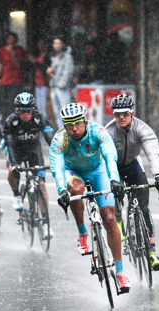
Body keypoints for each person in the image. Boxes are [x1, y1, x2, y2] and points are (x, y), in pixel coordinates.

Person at [50, 102, 131, 293]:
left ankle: (120, 272)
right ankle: (83, 233)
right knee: (75, 190)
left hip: (97, 170)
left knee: (109, 218)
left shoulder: (98, 132)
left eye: (77, 124)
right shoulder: (59, 139)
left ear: (85, 121)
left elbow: (110, 157)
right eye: (69, 125)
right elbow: (57, 168)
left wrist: (114, 180)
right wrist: (62, 190)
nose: (74, 129)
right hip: (73, 172)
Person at [106, 94, 159, 270]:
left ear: (132, 113)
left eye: (125, 113)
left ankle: (152, 251)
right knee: (116, 196)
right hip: (114, 167)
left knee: (144, 207)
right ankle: (119, 221)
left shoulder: (143, 129)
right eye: (118, 114)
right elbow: (105, 158)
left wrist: (158, 177)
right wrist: (112, 180)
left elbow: (152, 154)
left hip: (133, 165)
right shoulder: (108, 132)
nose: (121, 117)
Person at [4, 92, 55, 237]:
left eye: (28, 111)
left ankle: (45, 223)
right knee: (11, 171)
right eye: (22, 111)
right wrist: (14, 165)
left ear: (33, 110)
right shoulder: (11, 121)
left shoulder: (39, 119)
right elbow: (10, 145)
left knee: (42, 185)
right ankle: (17, 196)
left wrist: (58, 156)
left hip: (34, 152)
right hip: (17, 151)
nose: (25, 114)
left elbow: (50, 138)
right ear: (16, 110)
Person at [0, 32, 26, 116]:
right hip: (5, 79)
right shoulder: (3, 50)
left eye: (13, 39)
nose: (11, 41)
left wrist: (12, 53)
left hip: (16, 79)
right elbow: (0, 64)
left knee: (14, 100)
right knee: (5, 101)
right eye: (9, 39)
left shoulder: (19, 50)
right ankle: (6, 118)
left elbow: (19, 64)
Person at [47, 37, 75, 128]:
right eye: (55, 43)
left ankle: (69, 131)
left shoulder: (67, 57)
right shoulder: (53, 56)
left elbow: (68, 72)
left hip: (62, 88)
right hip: (54, 86)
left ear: (63, 45)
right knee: (57, 112)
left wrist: (61, 85)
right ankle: (62, 132)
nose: (57, 46)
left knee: (65, 111)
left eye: (59, 43)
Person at [29, 39, 50, 117]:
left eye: (42, 44)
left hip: (44, 82)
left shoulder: (47, 56)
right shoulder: (37, 55)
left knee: (44, 105)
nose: (40, 46)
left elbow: (45, 68)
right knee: (38, 104)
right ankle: (41, 121)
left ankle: (45, 121)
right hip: (37, 82)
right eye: (39, 45)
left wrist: (35, 62)